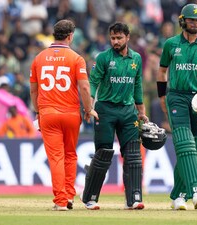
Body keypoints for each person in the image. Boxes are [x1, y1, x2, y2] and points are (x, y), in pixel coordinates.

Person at [29, 19, 98, 211]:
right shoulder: (77, 58)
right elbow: (84, 86)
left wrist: (38, 111)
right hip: (70, 114)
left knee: (56, 157)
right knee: (70, 155)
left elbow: (34, 91)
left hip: (48, 113)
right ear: (70, 36)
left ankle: (60, 200)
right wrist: (88, 108)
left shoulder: (39, 58)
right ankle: (68, 195)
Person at [157, 3, 197, 210]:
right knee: (184, 143)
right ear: (183, 21)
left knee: (195, 147)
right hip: (176, 96)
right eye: (191, 20)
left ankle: (178, 196)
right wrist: (161, 97)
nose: (194, 23)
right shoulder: (171, 44)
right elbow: (162, 71)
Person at [81, 22, 148, 210]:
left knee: (133, 154)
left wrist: (141, 111)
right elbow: (93, 82)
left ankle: (134, 199)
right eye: (113, 38)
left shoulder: (136, 58)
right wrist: (89, 106)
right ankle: (90, 197)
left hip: (128, 111)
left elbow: (137, 85)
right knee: (103, 154)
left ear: (127, 37)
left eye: (119, 38)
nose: (115, 41)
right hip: (105, 110)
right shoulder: (102, 58)